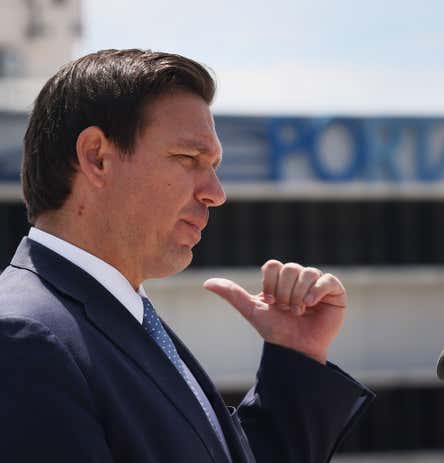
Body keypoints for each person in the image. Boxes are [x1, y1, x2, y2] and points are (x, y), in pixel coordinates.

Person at [0, 49, 373, 462]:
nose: (215, 193)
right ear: (96, 157)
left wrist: (295, 356)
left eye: (213, 165)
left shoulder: (122, 320)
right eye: (187, 159)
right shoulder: (23, 337)